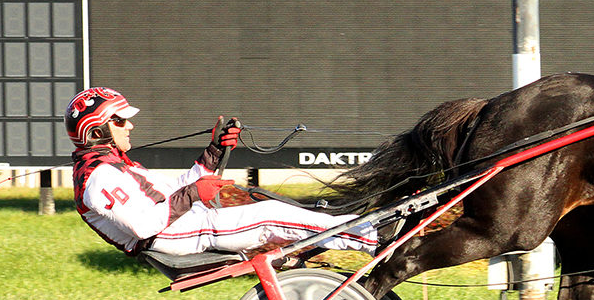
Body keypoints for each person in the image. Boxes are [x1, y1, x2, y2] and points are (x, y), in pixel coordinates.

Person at [66, 87, 379, 258]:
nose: (130, 125)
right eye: (120, 120)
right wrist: (194, 193)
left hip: (182, 225)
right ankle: (371, 238)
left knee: (269, 204)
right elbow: (145, 224)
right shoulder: (98, 179)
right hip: (172, 238)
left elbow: (172, 192)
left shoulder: (114, 164)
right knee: (269, 216)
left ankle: (360, 227)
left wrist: (213, 152)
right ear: (96, 130)